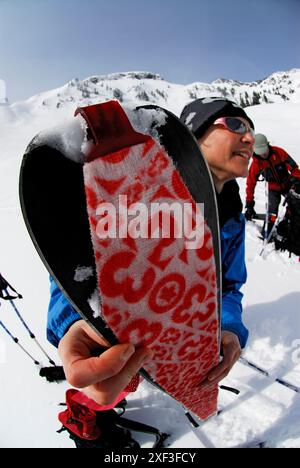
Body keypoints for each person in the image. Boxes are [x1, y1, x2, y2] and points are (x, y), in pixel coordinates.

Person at [47, 97, 254, 417]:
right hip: (113, 344)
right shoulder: (140, 188)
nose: (250, 138)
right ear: (195, 136)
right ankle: (85, 422)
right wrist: (78, 322)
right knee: (106, 386)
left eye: (252, 129)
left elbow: (229, 286)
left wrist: (225, 326)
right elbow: (77, 263)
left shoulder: (232, 217)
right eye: (235, 125)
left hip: (181, 345)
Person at [245, 133, 300, 236]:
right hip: (272, 189)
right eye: (260, 152)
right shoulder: (256, 165)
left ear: (267, 145)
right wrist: (249, 204)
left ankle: (289, 224)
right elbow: (250, 184)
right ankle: (268, 232)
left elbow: (294, 168)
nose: (263, 154)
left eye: (264, 151)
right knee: (272, 212)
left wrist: (296, 179)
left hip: (287, 184)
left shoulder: (279, 152)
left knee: (295, 204)